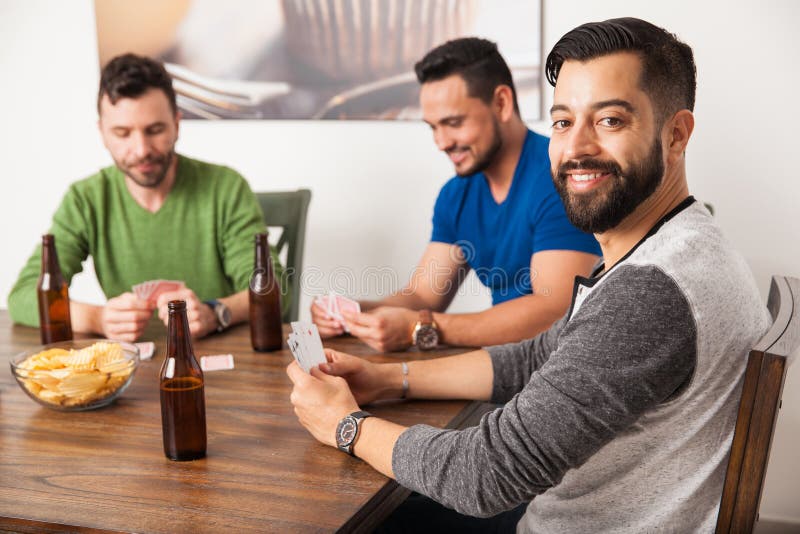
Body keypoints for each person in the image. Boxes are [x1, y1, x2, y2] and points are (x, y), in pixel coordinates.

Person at [288, 17, 772, 532]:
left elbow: (484, 474)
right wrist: (388, 378)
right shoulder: (673, 248)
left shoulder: (651, 290)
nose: (576, 147)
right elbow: (538, 357)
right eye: (563, 121)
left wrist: (345, 426)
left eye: (609, 120)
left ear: (676, 135)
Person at [311, 38, 601, 352]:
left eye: (454, 123)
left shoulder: (562, 177)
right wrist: (354, 313)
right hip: (505, 364)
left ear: (502, 103)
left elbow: (553, 311)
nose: (441, 142)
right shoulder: (456, 195)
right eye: (433, 127)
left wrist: (422, 327)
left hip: (558, 367)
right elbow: (423, 296)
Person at [8, 53, 281, 341]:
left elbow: (273, 291)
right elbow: (24, 297)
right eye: (122, 133)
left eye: (155, 130)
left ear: (177, 123)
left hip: (223, 363)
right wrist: (97, 318)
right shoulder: (85, 199)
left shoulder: (226, 187)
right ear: (102, 132)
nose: (141, 150)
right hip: (130, 371)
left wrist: (215, 313)